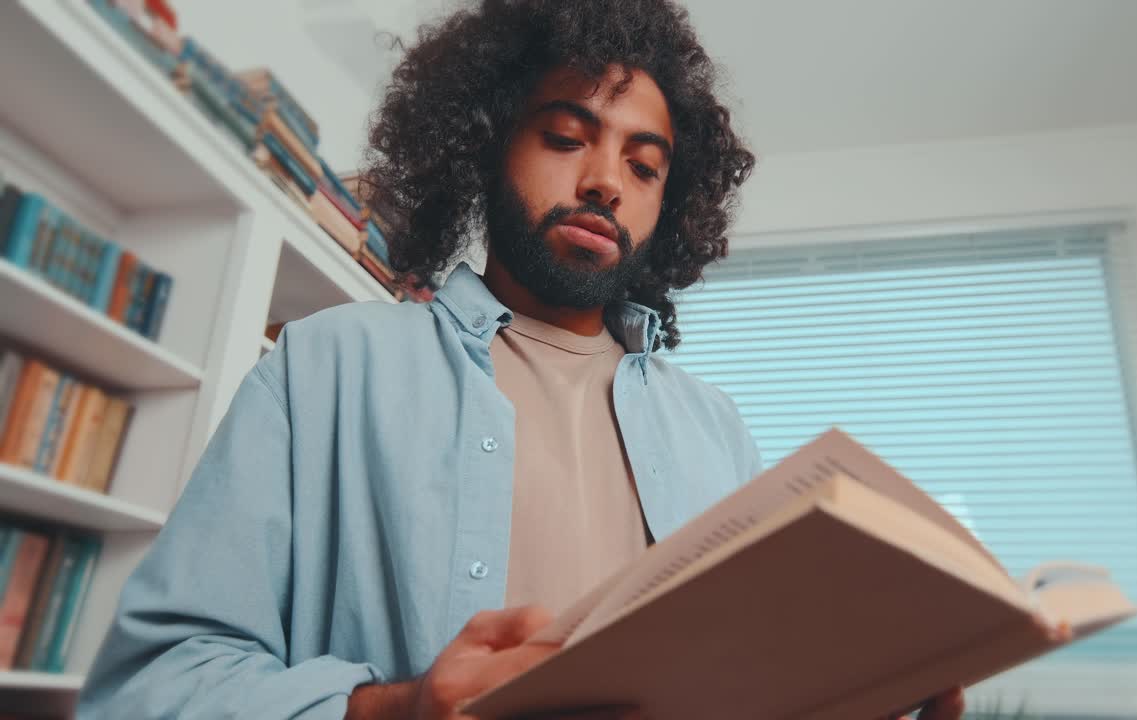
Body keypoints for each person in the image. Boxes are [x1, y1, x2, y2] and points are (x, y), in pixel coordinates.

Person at [78, 1, 964, 718]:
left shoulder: (716, 429)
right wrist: (394, 711)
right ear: (487, 145)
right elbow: (149, 686)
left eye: (644, 165)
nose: (606, 182)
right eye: (567, 137)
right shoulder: (326, 368)